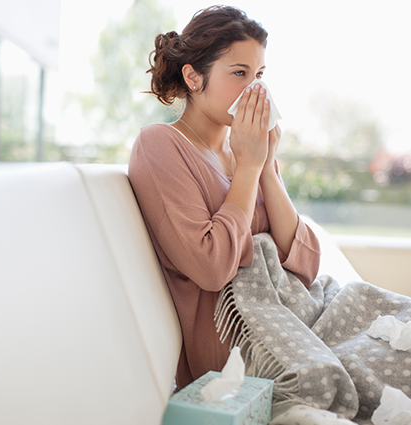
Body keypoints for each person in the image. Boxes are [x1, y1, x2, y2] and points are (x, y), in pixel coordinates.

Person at [128, 5, 321, 391]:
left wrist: (264, 166)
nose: (256, 90)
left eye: (260, 75)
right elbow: (212, 268)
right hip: (236, 348)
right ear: (193, 77)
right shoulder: (161, 145)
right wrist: (249, 168)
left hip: (296, 314)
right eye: (239, 74)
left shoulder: (247, 151)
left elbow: (305, 263)